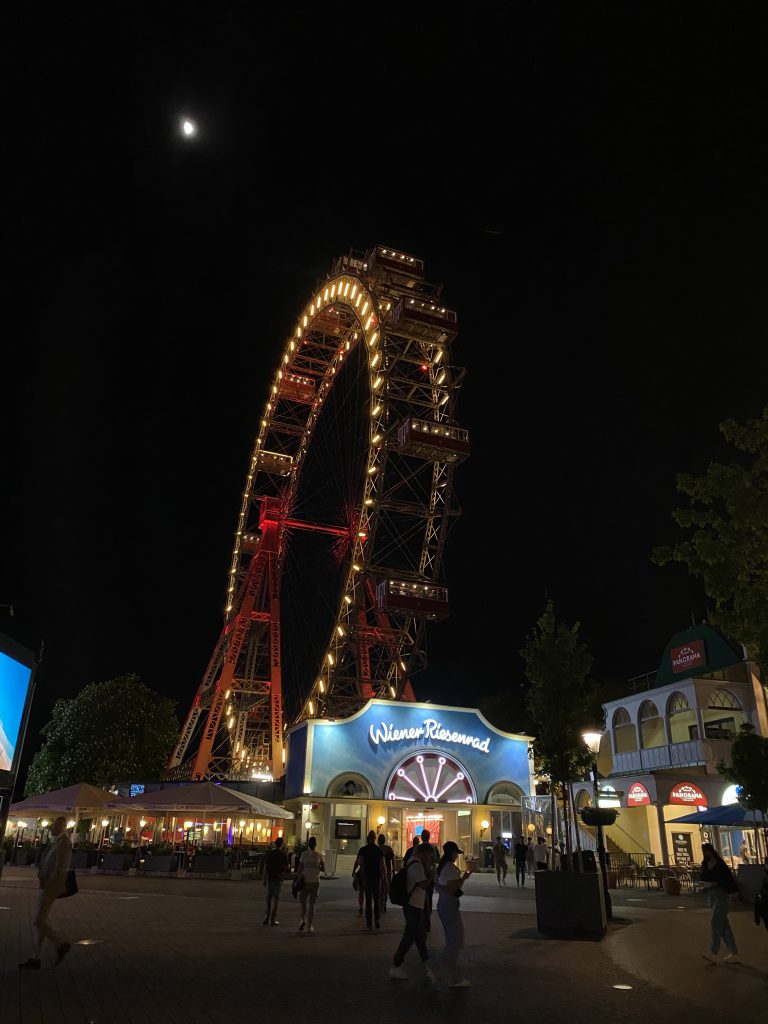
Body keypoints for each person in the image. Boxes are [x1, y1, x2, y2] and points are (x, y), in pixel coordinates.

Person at [18, 815, 72, 970]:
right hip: (47, 885)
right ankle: (35, 957)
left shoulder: (63, 844)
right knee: (39, 922)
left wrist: (48, 883)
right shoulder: (57, 842)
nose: (51, 829)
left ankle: (60, 943)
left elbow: (60, 868)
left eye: (54, 826)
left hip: (50, 886)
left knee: (38, 921)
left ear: (61, 827)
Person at [389, 841, 435, 983]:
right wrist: (432, 874)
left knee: (419, 937)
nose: (430, 858)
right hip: (413, 905)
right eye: (429, 855)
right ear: (423, 853)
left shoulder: (415, 863)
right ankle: (397, 964)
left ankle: (427, 966)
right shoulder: (416, 865)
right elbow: (423, 884)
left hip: (415, 905)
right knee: (411, 936)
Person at [434, 840, 473, 988]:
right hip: (449, 906)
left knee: (453, 939)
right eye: (456, 853)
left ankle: (442, 970)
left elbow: (445, 886)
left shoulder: (442, 867)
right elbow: (453, 888)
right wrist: (462, 879)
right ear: (451, 853)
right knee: (454, 940)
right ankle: (450, 975)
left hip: (444, 905)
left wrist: (462, 879)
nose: (457, 855)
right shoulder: (449, 868)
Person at [700, 842, 740, 964]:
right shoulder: (705, 864)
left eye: (707, 850)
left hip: (721, 894)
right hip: (711, 895)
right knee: (723, 925)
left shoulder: (720, 863)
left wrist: (731, 892)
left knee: (715, 922)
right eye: (704, 851)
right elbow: (703, 877)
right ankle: (733, 951)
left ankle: (713, 952)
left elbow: (727, 878)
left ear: (711, 850)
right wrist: (704, 885)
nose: (706, 853)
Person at [354, 829, 384, 930]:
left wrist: (357, 872)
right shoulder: (378, 850)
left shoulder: (363, 849)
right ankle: (377, 921)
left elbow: (360, 862)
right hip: (376, 878)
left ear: (368, 838)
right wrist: (384, 878)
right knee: (376, 900)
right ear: (375, 838)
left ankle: (369, 924)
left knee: (368, 901)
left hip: (367, 878)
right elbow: (382, 864)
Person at [297, 835, 325, 933]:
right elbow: (323, 869)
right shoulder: (319, 855)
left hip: (305, 881)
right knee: (312, 904)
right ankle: (309, 925)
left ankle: (303, 919)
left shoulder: (304, 855)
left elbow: (299, 869)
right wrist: (317, 866)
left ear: (308, 844)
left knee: (303, 902)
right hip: (315, 882)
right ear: (315, 845)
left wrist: (298, 878)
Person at [262, 836, 289, 926]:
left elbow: (266, 866)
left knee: (269, 898)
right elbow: (287, 867)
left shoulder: (270, 853)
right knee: (276, 899)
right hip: (278, 878)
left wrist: (264, 878)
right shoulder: (283, 854)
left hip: (270, 877)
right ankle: (273, 919)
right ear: (282, 844)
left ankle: (267, 917)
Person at [378, 833, 395, 912]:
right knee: (385, 888)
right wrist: (394, 870)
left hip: (378, 872)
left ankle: (379, 904)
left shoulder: (377, 849)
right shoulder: (389, 849)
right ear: (384, 841)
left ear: (378, 841)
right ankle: (384, 904)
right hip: (387, 871)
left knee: (379, 889)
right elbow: (393, 861)